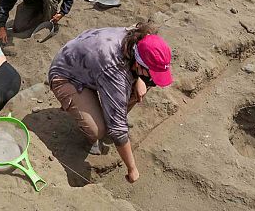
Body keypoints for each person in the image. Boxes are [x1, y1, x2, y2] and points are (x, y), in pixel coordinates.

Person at [48, 23, 173, 184]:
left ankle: (106, 111)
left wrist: (141, 79)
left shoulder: (141, 38)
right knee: (98, 130)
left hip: (93, 65)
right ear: (138, 63)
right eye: (150, 71)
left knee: (142, 86)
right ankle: (93, 122)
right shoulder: (114, 70)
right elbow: (118, 131)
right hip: (67, 75)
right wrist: (132, 168)